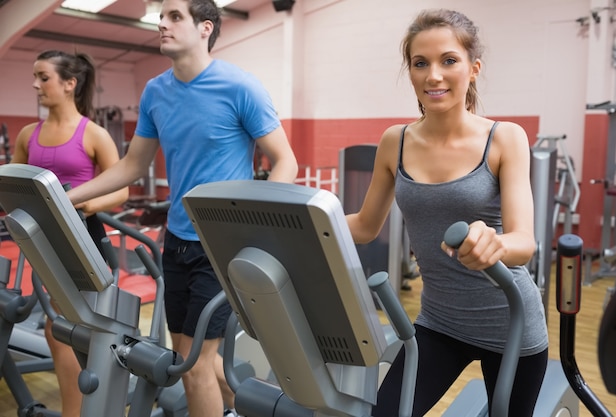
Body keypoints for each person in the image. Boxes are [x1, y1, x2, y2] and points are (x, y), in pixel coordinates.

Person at [66, 1, 299, 416]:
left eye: (174, 16)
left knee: (193, 368)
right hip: (176, 243)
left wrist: (250, 226)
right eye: (162, 16)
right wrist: (69, 197)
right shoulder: (156, 91)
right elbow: (132, 166)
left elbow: (286, 161)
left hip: (221, 246)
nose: (162, 24)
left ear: (205, 27)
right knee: (192, 359)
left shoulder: (239, 86)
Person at [346, 9, 549, 417]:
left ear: (473, 69)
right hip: (439, 322)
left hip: (509, 323)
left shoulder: (504, 137)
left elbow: (524, 242)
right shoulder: (395, 141)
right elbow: (365, 227)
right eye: (420, 63)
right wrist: (305, 219)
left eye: (448, 61)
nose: (433, 76)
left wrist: (495, 243)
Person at [12, 50, 129, 417]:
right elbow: (13, 184)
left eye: (43, 77)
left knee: (73, 328)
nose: (35, 85)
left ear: (69, 83)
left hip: (82, 240)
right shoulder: (28, 134)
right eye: (35, 76)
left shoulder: (92, 134)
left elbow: (121, 190)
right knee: (58, 328)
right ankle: (74, 411)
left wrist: (83, 205)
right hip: (44, 242)